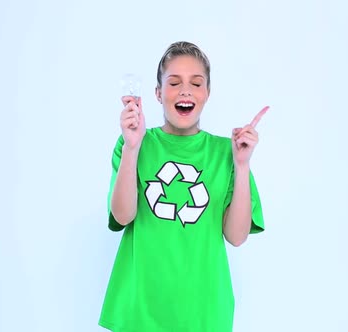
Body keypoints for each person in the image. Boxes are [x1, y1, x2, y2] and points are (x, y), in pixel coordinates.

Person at [99, 41, 268, 332]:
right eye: (174, 82)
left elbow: (237, 237)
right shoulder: (136, 144)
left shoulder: (226, 152)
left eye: (196, 83)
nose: (185, 91)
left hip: (203, 312)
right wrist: (131, 147)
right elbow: (123, 215)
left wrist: (241, 166)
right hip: (140, 308)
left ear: (207, 93)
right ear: (157, 93)